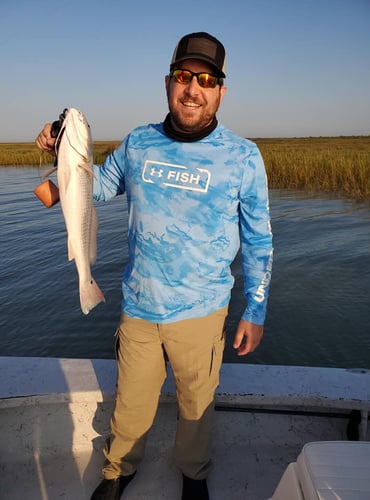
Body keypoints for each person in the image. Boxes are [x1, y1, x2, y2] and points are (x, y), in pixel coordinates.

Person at [35, 32, 273, 500]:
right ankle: (117, 472)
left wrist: (256, 309)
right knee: (131, 404)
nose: (193, 88)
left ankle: (194, 475)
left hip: (203, 313)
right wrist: (57, 152)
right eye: (184, 76)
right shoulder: (137, 143)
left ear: (221, 91)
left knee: (196, 406)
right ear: (168, 83)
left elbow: (259, 238)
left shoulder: (243, 156)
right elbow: (94, 188)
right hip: (140, 308)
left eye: (206, 79)